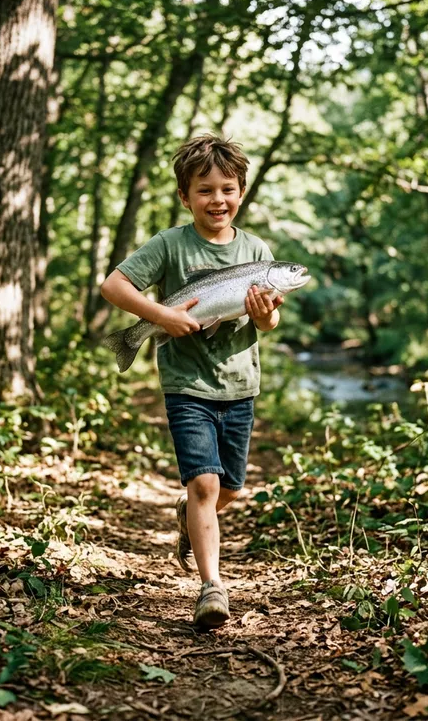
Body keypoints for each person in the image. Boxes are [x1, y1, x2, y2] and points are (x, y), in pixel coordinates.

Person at [99, 134, 284, 630]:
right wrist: (159, 315)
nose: (217, 200)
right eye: (204, 190)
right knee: (204, 482)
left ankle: (189, 514)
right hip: (186, 385)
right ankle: (212, 587)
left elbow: (265, 326)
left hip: (239, 387)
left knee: (228, 490)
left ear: (241, 192)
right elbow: (112, 285)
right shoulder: (169, 244)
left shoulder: (257, 252)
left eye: (227, 189)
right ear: (185, 196)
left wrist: (265, 316)